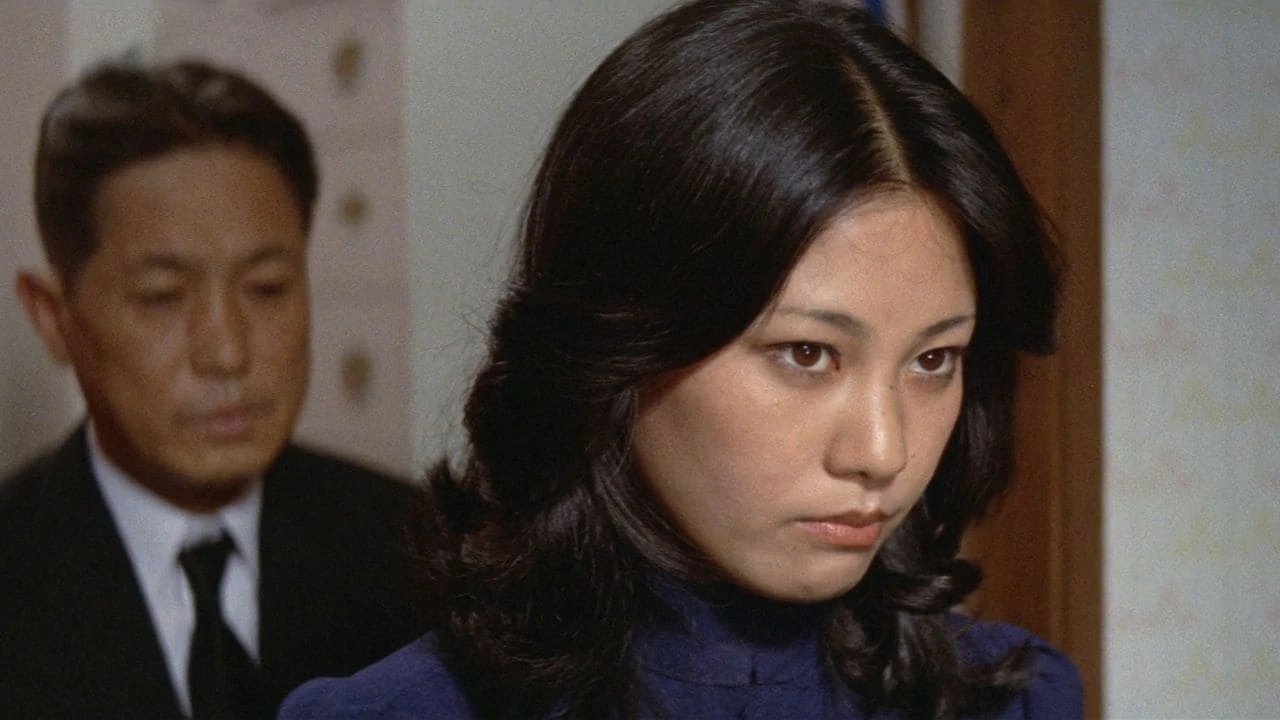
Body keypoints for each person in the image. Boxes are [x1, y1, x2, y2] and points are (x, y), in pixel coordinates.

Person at [282, 0, 1083, 717]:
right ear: (622, 342)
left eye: (934, 360)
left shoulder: (1015, 700)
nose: (884, 451)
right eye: (807, 354)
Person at [0, 59, 429, 719]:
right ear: (55, 318)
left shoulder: (421, 554)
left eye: (267, 288)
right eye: (162, 297)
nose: (228, 353)